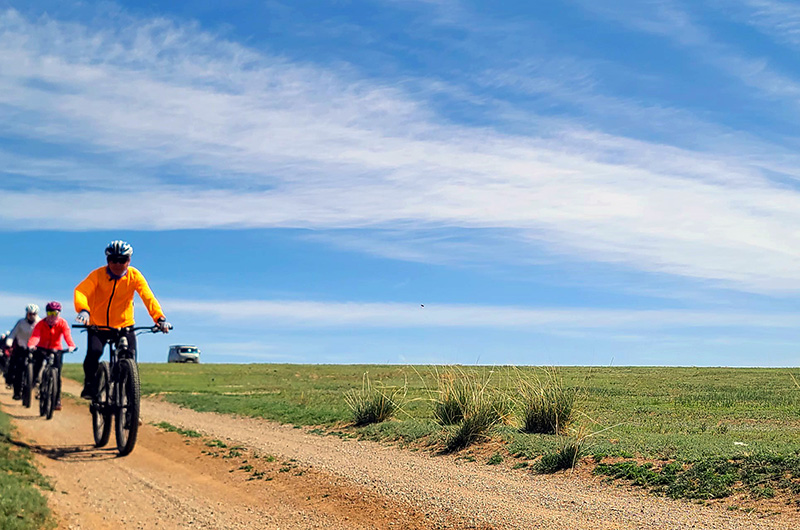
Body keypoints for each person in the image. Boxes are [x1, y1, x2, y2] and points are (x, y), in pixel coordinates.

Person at [74, 240, 170, 398]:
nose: (118, 264)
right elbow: (82, 291)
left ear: (129, 261)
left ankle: (131, 406)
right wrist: (84, 310)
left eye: (122, 260)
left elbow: (148, 297)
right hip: (99, 326)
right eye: (113, 260)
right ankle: (90, 384)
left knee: (130, 359)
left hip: (125, 326)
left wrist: (159, 318)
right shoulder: (97, 275)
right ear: (107, 261)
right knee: (94, 352)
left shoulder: (134, 276)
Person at [28, 301, 76, 411]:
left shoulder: (62, 323)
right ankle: (35, 384)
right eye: (49, 313)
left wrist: (71, 346)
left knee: (57, 375)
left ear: (59, 313)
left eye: (55, 313)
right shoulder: (41, 323)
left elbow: (67, 335)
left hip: (56, 348)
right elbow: (35, 336)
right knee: (37, 365)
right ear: (46, 313)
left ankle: (57, 399)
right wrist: (31, 345)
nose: (52, 316)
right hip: (42, 348)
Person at [6, 304, 41, 399]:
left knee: (38, 366)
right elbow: (13, 334)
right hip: (22, 348)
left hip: (35, 348)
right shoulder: (21, 323)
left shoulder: (40, 323)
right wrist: (9, 342)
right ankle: (17, 392)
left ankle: (36, 385)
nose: (32, 316)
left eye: (34, 314)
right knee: (19, 370)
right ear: (27, 314)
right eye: (30, 314)